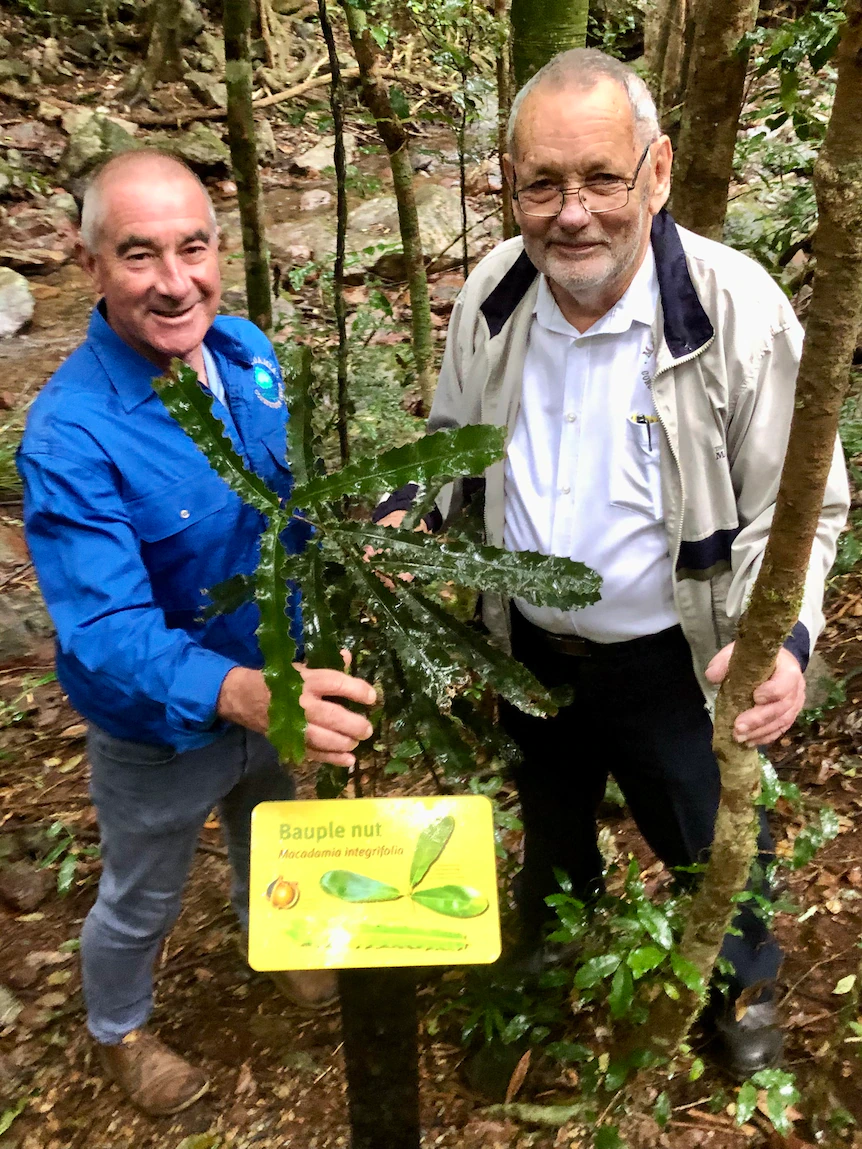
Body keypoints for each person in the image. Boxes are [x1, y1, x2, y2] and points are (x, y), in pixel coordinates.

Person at [374, 49, 849, 1076]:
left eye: (600, 177)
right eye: (543, 182)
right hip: (530, 651)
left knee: (713, 840)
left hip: (676, 660)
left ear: (658, 172)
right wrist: (401, 517)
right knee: (549, 838)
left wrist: (788, 639)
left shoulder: (737, 309)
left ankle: (742, 991)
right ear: (511, 183)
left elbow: (799, 504)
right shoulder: (494, 299)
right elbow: (450, 444)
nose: (571, 212)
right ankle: (545, 987)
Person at [17, 150, 376, 1116]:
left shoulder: (246, 351)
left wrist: (348, 554)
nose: (175, 282)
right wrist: (240, 692)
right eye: (140, 255)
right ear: (88, 262)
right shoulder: (70, 436)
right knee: (142, 891)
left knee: (270, 829)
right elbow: (102, 628)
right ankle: (118, 1027)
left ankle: (279, 940)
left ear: (219, 250)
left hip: (275, 675)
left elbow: (281, 507)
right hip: (164, 726)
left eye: (194, 248)